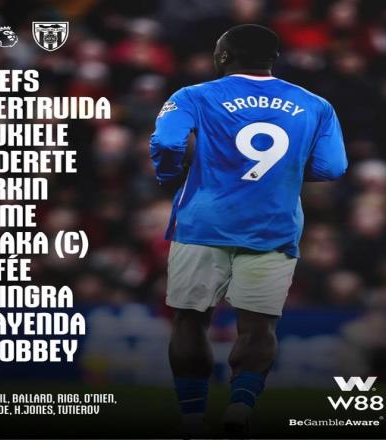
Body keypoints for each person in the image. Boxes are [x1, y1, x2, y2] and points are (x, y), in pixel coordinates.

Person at [149, 24, 347, 436]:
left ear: (223, 56)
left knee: (190, 320)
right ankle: (240, 408)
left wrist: (168, 174)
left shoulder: (192, 96)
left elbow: (167, 143)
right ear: (273, 59)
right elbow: (333, 167)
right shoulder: (316, 104)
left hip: (203, 225)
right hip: (273, 227)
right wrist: (282, 176)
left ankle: (192, 417)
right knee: (259, 326)